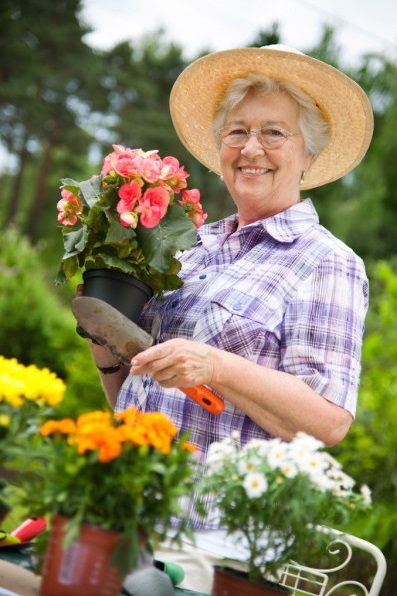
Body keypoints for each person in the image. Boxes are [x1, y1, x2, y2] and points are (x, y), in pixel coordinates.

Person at [85, 45, 373, 593]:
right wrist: (106, 349)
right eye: (237, 132)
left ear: (308, 155)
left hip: (215, 548)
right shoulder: (189, 247)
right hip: (125, 516)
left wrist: (215, 365)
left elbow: (328, 423)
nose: (251, 149)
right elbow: (139, 395)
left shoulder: (327, 261)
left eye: (274, 133)